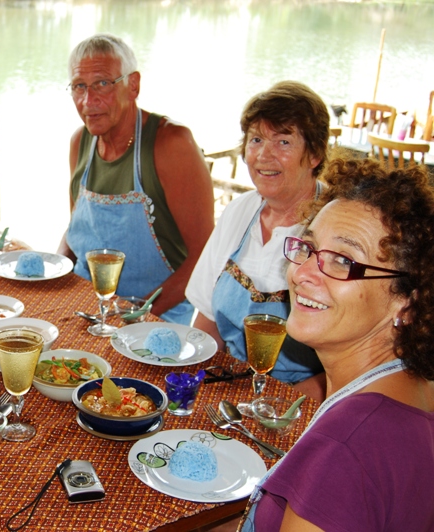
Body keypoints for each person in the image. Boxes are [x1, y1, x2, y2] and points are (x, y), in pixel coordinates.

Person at [241, 157, 434, 531]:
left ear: (407, 301)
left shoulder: (343, 450)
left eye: (344, 260)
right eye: (307, 248)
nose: (302, 273)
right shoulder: (414, 390)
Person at [57, 34, 214, 325]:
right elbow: (77, 231)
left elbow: (205, 256)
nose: (88, 100)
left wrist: (137, 316)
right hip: (88, 310)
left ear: (133, 85)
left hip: (157, 319)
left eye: (103, 83)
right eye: (79, 86)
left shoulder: (170, 144)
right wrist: (56, 272)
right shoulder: (80, 143)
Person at [185, 81, 327, 398]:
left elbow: (355, 363)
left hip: (302, 401)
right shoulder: (240, 211)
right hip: (228, 384)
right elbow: (207, 318)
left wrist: (279, 404)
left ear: (315, 153)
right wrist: (193, 382)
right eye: (256, 139)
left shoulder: (333, 228)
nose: (263, 155)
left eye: (283, 142)